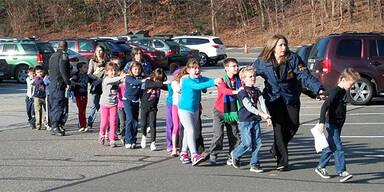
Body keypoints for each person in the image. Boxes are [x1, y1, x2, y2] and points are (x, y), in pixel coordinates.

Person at [253, 34, 325, 171]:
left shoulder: (293, 59)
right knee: (278, 129)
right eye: (280, 45)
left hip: (291, 96)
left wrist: (319, 89)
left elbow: (305, 76)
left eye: (285, 44)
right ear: (273, 47)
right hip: (273, 98)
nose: (284, 48)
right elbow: (249, 73)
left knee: (293, 125)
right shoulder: (263, 61)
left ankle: (275, 148)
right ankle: (282, 161)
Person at [314, 68, 360, 183]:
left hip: (338, 124)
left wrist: (322, 94)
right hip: (332, 124)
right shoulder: (337, 91)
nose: (352, 86)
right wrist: (321, 122)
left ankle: (320, 167)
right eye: (351, 83)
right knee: (338, 148)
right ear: (344, 80)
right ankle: (342, 172)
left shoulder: (341, 90)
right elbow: (325, 106)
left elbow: (328, 92)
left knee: (331, 146)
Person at [178, 58, 221, 166]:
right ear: (188, 70)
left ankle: (183, 152)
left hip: (195, 109)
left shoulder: (200, 78)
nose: (197, 70)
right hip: (184, 109)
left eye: (198, 68)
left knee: (189, 132)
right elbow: (198, 87)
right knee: (191, 130)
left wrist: (217, 80)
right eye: (194, 68)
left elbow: (207, 80)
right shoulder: (187, 80)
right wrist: (213, 82)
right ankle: (194, 155)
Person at [230, 66, 272, 173]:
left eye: (254, 76)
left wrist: (267, 116)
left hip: (255, 119)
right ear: (243, 79)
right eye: (250, 76)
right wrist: (261, 114)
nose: (253, 78)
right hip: (245, 120)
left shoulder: (257, 91)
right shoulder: (242, 92)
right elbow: (248, 106)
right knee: (247, 143)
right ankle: (235, 154)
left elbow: (262, 103)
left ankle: (254, 164)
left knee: (257, 143)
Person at [206, 58, 242, 165]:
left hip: (232, 112)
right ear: (226, 68)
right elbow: (224, 91)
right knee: (218, 134)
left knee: (234, 134)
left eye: (237, 66)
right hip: (220, 111)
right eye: (233, 66)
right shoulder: (221, 80)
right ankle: (213, 153)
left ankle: (232, 155)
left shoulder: (239, 80)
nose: (236, 68)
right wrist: (236, 92)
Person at [140, 68, 169, 151]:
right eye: (156, 79)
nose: (157, 81)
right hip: (144, 106)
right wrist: (162, 83)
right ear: (153, 76)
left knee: (153, 124)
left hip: (153, 107)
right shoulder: (148, 81)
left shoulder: (159, 84)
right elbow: (151, 85)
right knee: (143, 123)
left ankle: (153, 142)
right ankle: (144, 136)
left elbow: (166, 87)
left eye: (159, 80)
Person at [98, 62, 124, 148]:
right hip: (104, 104)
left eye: (115, 71)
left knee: (113, 122)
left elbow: (121, 85)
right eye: (111, 71)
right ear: (106, 72)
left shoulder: (117, 80)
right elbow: (111, 80)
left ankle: (112, 140)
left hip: (114, 104)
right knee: (104, 122)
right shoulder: (106, 79)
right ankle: (102, 134)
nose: (113, 72)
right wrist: (120, 77)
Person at [49, 40, 71, 136]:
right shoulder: (63, 55)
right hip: (59, 83)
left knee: (53, 104)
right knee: (59, 104)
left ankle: (53, 124)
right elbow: (63, 69)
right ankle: (55, 125)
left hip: (53, 82)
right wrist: (67, 82)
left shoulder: (53, 55)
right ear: (66, 47)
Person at [123, 61, 146, 149]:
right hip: (127, 100)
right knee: (130, 119)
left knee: (135, 121)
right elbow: (135, 82)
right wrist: (144, 80)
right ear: (131, 70)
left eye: (139, 69)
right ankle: (128, 140)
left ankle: (133, 140)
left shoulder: (141, 77)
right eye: (135, 69)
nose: (137, 71)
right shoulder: (128, 77)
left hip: (136, 101)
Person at [87, 45, 107, 130]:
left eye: (100, 50)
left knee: (103, 105)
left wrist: (103, 79)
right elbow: (89, 73)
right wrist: (97, 78)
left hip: (104, 85)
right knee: (95, 105)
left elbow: (109, 72)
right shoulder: (92, 61)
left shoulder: (106, 61)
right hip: (95, 85)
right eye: (97, 50)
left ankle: (105, 123)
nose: (99, 52)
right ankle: (90, 122)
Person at [71, 62, 90, 132]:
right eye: (84, 67)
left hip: (85, 94)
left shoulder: (86, 75)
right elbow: (71, 82)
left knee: (83, 110)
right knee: (80, 110)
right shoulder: (76, 75)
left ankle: (84, 124)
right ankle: (82, 125)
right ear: (80, 68)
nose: (86, 69)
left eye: (86, 67)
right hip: (78, 94)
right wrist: (78, 83)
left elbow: (92, 81)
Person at [33, 65, 47, 130]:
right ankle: (38, 125)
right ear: (35, 73)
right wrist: (43, 80)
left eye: (41, 72)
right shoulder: (37, 78)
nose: (40, 73)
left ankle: (45, 121)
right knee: (38, 111)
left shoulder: (45, 77)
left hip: (44, 96)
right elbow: (38, 82)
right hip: (37, 97)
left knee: (47, 110)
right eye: (38, 72)